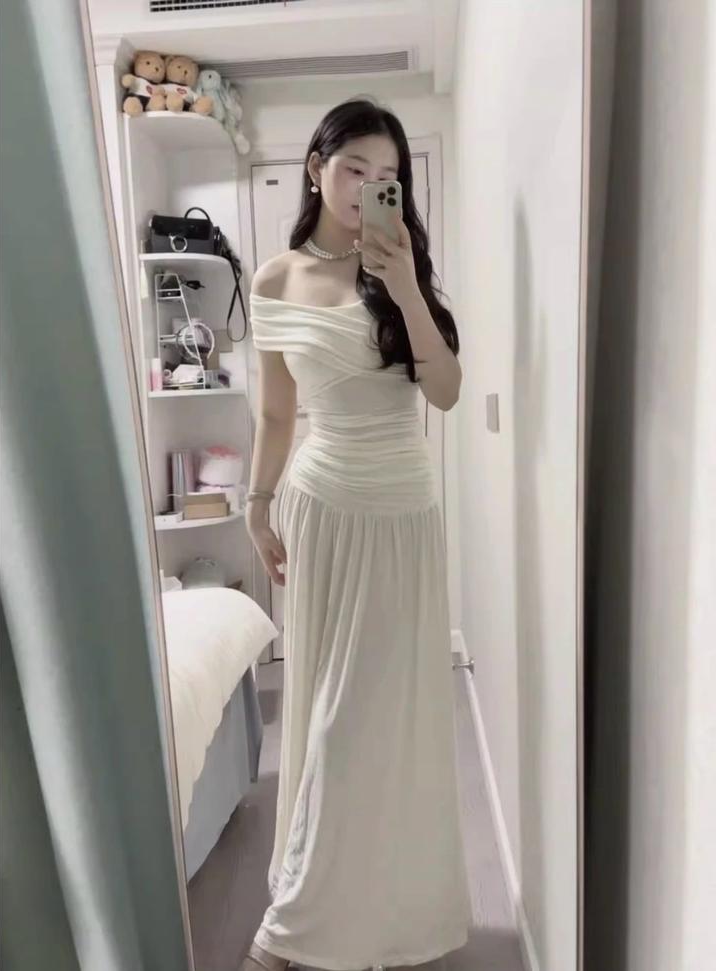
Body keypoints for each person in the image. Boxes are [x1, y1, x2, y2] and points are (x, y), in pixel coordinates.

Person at [243, 97, 471, 971]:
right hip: (319, 509)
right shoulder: (274, 280)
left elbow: (445, 391)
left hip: (401, 510)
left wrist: (406, 287)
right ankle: (329, 909)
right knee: (327, 713)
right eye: (353, 170)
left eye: (387, 177)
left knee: (367, 720)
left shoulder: (401, 270)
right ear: (316, 168)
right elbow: (276, 411)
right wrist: (256, 503)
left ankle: (298, 931)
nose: (367, 187)